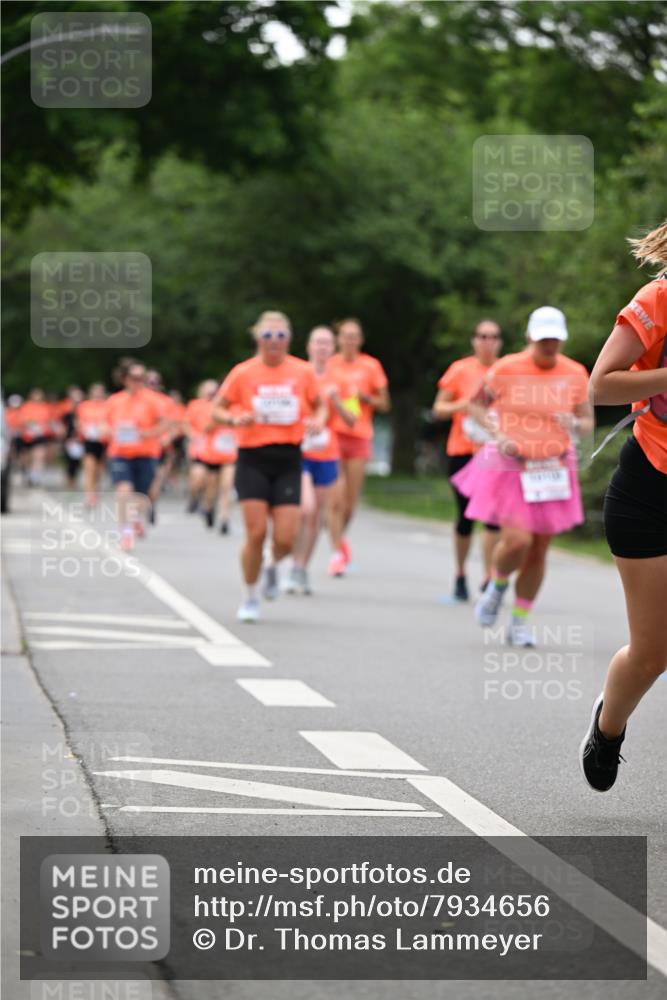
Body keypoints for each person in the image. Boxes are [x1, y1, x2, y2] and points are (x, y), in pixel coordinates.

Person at [580, 220, 667, 792]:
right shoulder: (657, 299)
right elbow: (601, 386)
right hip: (651, 490)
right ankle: (608, 729)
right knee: (652, 653)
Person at [452, 306, 593, 647]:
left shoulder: (575, 372)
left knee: (539, 550)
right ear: (530, 337)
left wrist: (573, 424)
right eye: (543, 339)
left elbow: (588, 421)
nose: (549, 346)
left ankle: (519, 621)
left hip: (553, 469)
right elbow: (474, 405)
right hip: (512, 466)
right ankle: (496, 587)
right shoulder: (507, 368)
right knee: (518, 541)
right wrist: (497, 434)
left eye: (555, 340)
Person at [212, 310, 326, 623]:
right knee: (257, 531)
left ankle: (272, 566)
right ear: (258, 339)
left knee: (287, 538)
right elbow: (217, 409)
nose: (274, 342)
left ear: (289, 339)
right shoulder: (243, 373)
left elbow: (320, 404)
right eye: (267, 336)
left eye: (280, 336)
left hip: (288, 457)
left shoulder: (302, 372)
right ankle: (250, 596)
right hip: (252, 458)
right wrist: (234, 418)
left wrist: (319, 420)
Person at [432, 320, 503, 601]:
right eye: (483, 336)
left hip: (495, 452)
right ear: (474, 340)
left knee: (493, 516)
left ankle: (488, 576)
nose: (488, 341)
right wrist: (466, 405)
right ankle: (460, 573)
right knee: (465, 516)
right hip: (462, 451)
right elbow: (439, 409)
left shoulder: (506, 369)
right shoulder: (460, 370)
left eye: (494, 337)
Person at [285, 325, 355, 595]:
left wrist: (337, 402)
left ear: (333, 348)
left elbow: (352, 419)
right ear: (308, 347)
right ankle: (292, 562)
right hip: (299, 452)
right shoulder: (297, 375)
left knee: (316, 518)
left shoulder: (343, 380)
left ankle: (301, 568)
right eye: (318, 343)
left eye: (327, 344)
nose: (322, 348)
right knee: (306, 509)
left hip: (327, 453)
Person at [326, 318, 390, 576]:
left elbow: (385, 404)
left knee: (350, 503)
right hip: (332, 435)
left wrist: (367, 398)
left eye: (354, 336)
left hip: (360, 435)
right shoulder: (329, 364)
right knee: (336, 498)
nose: (350, 340)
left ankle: (339, 538)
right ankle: (336, 553)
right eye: (345, 336)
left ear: (360, 340)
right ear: (338, 339)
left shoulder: (371, 366)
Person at [104, 363, 168, 550]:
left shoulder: (154, 400)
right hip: (120, 453)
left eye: (141, 378)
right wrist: (112, 431)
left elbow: (165, 425)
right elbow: (104, 426)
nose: (137, 382)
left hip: (146, 453)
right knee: (124, 491)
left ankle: (137, 517)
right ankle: (125, 532)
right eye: (134, 378)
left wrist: (145, 433)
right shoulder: (114, 401)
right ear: (125, 379)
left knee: (142, 496)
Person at [187, 379, 237, 531]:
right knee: (211, 488)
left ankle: (225, 519)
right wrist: (220, 419)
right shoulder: (208, 408)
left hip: (230, 455)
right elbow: (204, 428)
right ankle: (208, 507)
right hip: (211, 455)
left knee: (227, 486)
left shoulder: (234, 407)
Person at [76, 383, 109, 507]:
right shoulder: (84, 406)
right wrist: (82, 428)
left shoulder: (107, 406)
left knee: (99, 471)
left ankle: (95, 490)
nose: (98, 394)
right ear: (91, 393)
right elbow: (79, 422)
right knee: (89, 468)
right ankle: (89, 495)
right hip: (89, 440)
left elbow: (111, 421)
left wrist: (104, 428)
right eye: (95, 391)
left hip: (103, 441)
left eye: (100, 392)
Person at [19, 388, 57, 486]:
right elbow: (22, 420)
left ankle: (35, 477)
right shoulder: (26, 406)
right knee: (27, 458)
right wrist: (30, 425)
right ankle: (27, 473)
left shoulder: (45, 407)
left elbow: (50, 420)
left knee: (39, 456)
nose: (37, 397)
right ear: (31, 396)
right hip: (27, 436)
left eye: (39, 395)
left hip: (40, 435)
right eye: (35, 395)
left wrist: (52, 428)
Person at [59, 386, 85, 489]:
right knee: (70, 462)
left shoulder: (85, 409)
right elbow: (62, 426)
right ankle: (70, 482)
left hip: (82, 439)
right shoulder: (66, 411)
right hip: (69, 439)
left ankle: (75, 480)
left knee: (78, 462)